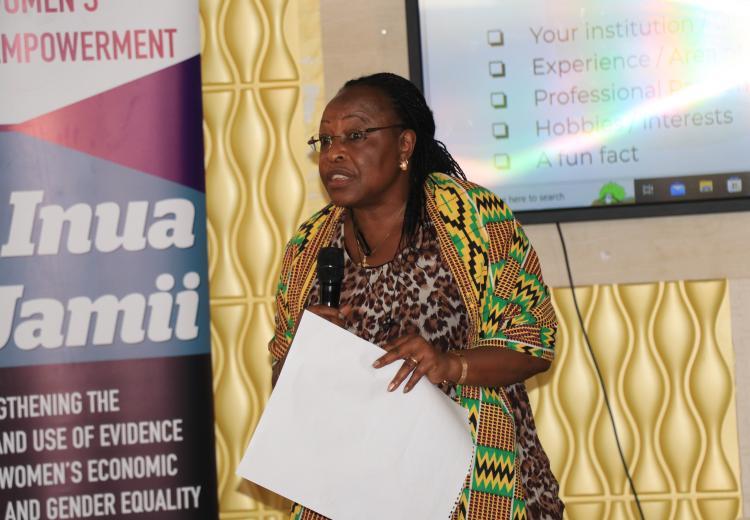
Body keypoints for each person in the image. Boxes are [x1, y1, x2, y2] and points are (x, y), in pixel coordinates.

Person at [268, 72, 563, 520]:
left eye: (355, 135)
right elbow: (283, 383)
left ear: (404, 145)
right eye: (325, 141)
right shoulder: (309, 247)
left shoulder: (473, 220)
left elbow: (533, 343)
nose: (334, 153)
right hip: (351, 494)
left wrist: (450, 364)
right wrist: (305, 355)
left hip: (473, 490)